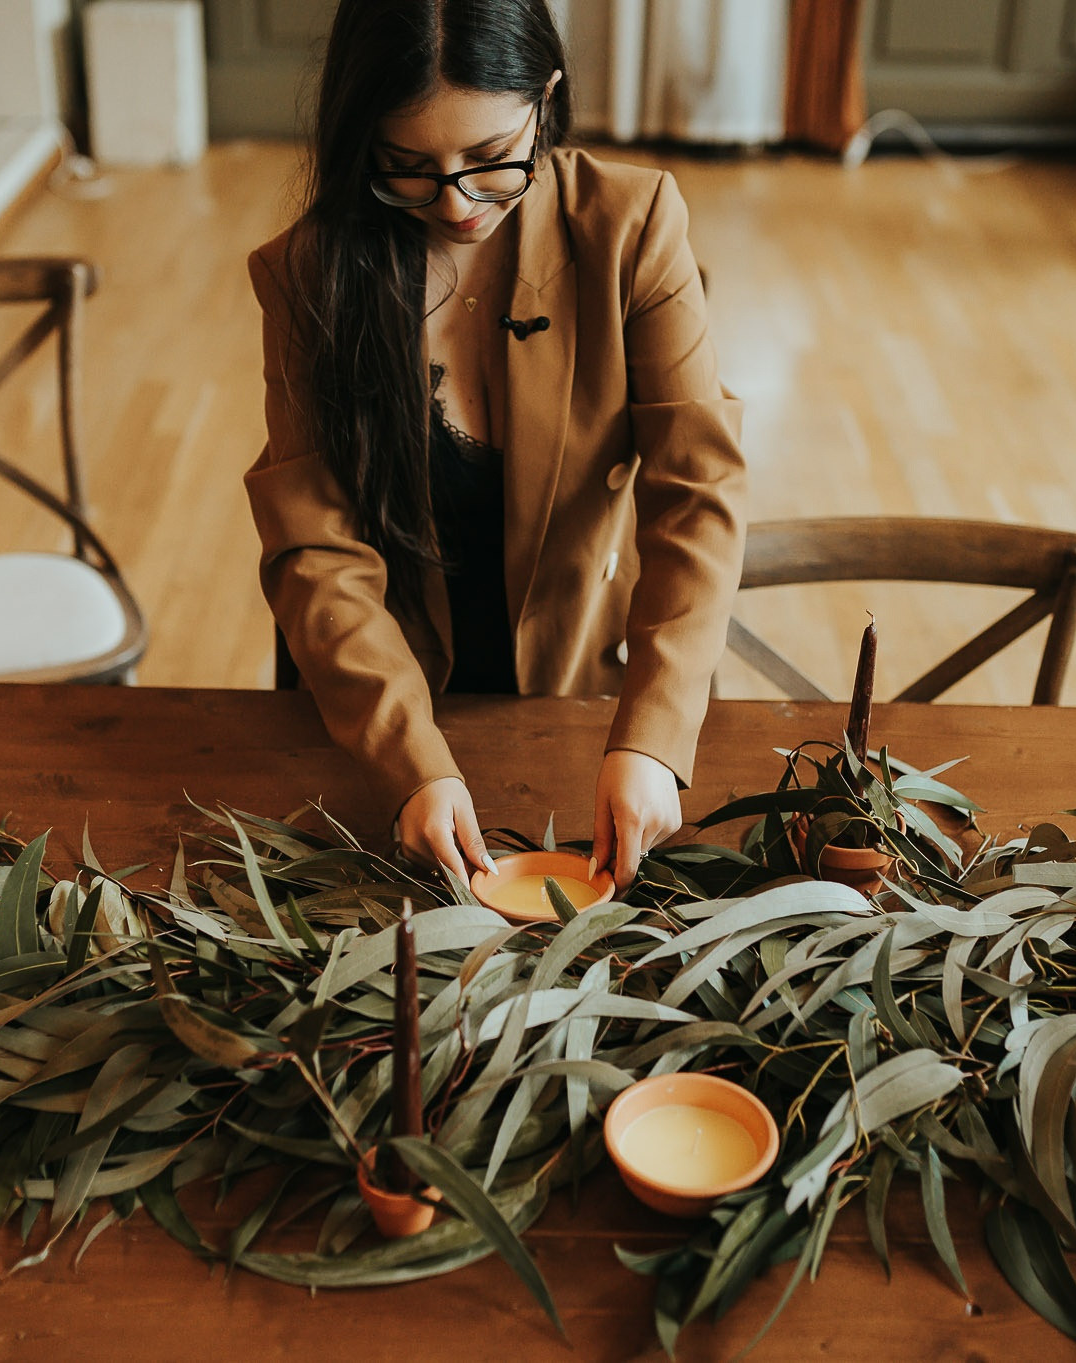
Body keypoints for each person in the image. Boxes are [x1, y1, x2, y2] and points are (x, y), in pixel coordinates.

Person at [244, 0, 746, 890]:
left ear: (545, 101)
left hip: (577, 695)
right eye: (408, 169)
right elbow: (315, 548)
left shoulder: (632, 225)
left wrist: (655, 735)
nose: (457, 204)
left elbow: (697, 494)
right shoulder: (309, 269)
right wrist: (411, 764)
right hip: (376, 702)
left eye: (489, 159)